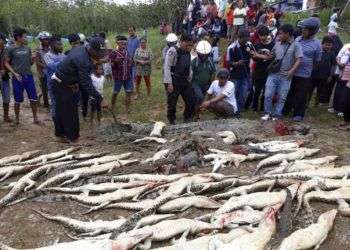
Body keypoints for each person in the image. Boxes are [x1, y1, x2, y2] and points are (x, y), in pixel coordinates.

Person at [49, 37, 106, 143]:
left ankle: (61, 135)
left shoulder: (83, 49)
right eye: (98, 53)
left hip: (66, 83)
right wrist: (100, 98)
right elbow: (86, 83)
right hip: (60, 84)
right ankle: (73, 139)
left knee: (62, 110)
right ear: (91, 49)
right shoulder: (82, 59)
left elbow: (80, 71)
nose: (99, 55)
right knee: (69, 112)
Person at [257, 24, 303, 120]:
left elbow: (299, 59)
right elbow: (270, 56)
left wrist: (291, 71)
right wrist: (257, 55)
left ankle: (277, 114)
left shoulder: (296, 45)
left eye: (281, 34)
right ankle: (267, 113)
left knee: (282, 97)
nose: (279, 35)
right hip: (273, 74)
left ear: (288, 34)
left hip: (286, 76)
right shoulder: (277, 44)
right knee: (268, 95)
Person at [283, 17, 322, 122]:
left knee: (301, 95)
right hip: (292, 72)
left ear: (312, 31)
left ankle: (298, 114)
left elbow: (317, 61)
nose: (303, 30)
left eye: (306, 29)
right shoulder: (298, 39)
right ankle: (285, 110)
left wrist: (309, 70)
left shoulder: (317, 44)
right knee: (289, 92)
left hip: (305, 74)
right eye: (303, 28)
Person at [4, 28, 40, 125]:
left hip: (28, 76)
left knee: (33, 98)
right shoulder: (10, 48)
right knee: (17, 100)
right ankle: (17, 119)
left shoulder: (27, 48)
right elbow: (6, 63)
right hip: (17, 78)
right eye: (24, 36)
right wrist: (14, 73)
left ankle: (35, 118)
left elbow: (30, 63)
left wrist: (33, 58)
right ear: (18, 37)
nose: (26, 38)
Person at [163, 34, 195, 125]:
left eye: (191, 45)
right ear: (181, 42)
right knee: (172, 102)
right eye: (187, 45)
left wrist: (190, 74)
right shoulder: (173, 51)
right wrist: (169, 83)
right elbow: (167, 67)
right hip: (174, 80)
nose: (189, 47)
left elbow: (189, 64)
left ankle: (187, 117)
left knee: (191, 99)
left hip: (185, 80)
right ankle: (171, 120)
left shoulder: (188, 51)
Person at [251, 25, 274, 112]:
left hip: (268, 71)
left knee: (266, 91)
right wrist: (256, 56)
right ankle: (254, 107)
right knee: (256, 90)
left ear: (268, 34)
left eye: (264, 35)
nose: (262, 37)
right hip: (258, 70)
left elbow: (272, 57)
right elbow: (254, 57)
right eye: (260, 35)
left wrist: (258, 55)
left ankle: (263, 108)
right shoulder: (257, 45)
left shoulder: (272, 45)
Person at [227, 30, 251, 114]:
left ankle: (239, 111)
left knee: (243, 94)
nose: (246, 42)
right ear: (239, 38)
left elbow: (253, 56)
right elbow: (228, 63)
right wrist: (236, 63)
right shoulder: (231, 48)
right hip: (235, 76)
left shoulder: (249, 45)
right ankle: (232, 110)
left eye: (247, 40)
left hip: (245, 74)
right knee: (233, 94)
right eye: (244, 40)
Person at [191, 40, 216, 119]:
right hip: (196, 83)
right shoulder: (194, 62)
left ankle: (198, 112)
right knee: (199, 96)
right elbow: (191, 75)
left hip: (207, 83)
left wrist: (212, 84)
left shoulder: (210, 61)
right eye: (202, 55)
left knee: (206, 98)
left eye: (206, 55)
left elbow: (213, 73)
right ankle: (195, 114)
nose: (204, 56)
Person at [309, 36, 336, 106]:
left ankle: (316, 103)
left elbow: (333, 65)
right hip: (313, 75)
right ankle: (306, 102)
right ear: (322, 44)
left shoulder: (332, 54)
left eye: (329, 45)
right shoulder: (318, 51)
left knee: (320, 91)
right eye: (326, 44)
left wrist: (330, 76)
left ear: (332, 46)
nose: (327, 46)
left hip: (324, 76)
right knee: (309, 89)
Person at [43, 36, 65, 119]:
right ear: (52, 45)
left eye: (61, 44)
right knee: (55, 102)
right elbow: (52, 66)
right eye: (59, 44)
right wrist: (65, 62)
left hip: (63, 83)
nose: (61, 46)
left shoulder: (62, 55)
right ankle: (56, 120)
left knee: (63, 102)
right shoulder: (47, 56)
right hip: (53, 84)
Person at [110, 35, 133, 113]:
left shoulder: (127, 52)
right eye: (122, 43)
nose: (124, 45)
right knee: (115, 93)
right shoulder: (114, 53)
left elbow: (130, 62)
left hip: (128, 76)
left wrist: (130, 64)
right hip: (118, 77)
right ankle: (112, 106)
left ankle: (127, 108)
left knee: (128, 92)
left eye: (125, 44)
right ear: (117, 43)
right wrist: (116, 61)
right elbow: (111, 65)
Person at [35, 31, 51, 108]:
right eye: (45, 39)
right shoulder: (38, 49)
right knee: (44, 89)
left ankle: (39, 96)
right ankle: (46, 104)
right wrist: (46, 66)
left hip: (51, 71)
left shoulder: (51, 47)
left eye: (48, 39)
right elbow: (37, 62)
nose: (47, 40)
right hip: (43, 72)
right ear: (41, 40)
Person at [0, 33, 12, 123]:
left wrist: (6, 71)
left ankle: (6, 116)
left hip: (5, 77)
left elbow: (11, 64)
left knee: (7, 98)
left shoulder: (8, 51)